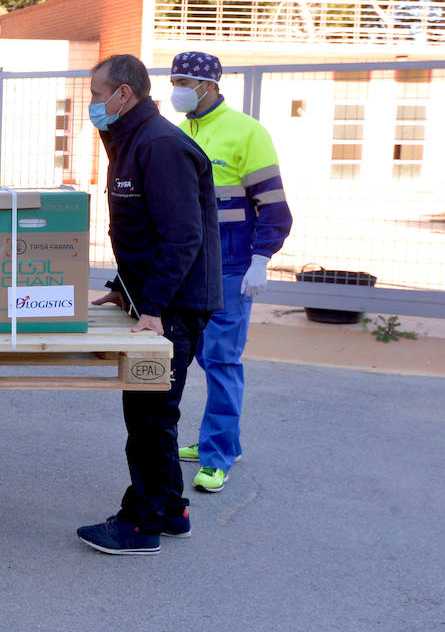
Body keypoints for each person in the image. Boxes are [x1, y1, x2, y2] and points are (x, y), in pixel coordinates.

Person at [77, 54, 222, 555]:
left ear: (123, 94)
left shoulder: (159, 145)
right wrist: (123, 286)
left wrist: (154, 308)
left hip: (174, 307)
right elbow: (140, 232)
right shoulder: (132, 139)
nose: (91, 104)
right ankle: (172, 511)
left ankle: (141, 524)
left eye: (97, 94)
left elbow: (182, 237)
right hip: (158, 300)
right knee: (154, 411)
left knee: (149, 415)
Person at [169, 51, 293, 492]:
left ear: (209, 85)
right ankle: (216, 443)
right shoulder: (182, 132)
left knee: (221, 360)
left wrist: (261, 259)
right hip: (191, 268)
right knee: (197, 357)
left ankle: (218, 455)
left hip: (231, 266)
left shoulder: (247, 132)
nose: (177, 89)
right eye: (173, 79)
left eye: (184, 80)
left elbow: (274, 207)